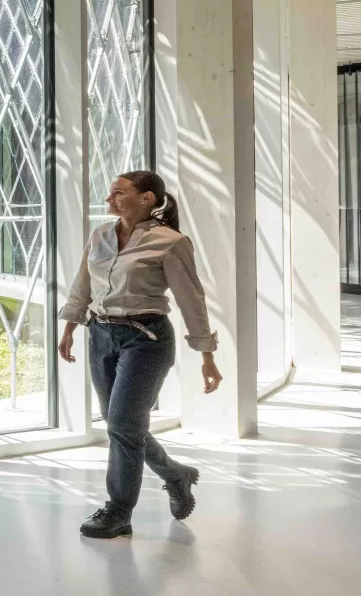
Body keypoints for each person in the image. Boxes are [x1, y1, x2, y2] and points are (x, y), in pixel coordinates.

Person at [57, 170, 223, 539]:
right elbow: (82, 284)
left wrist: (206, 355)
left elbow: (191, 300)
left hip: (146, 340)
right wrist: (70, 326)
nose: (109, 199)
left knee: (122, 426)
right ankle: (176, 474)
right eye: (110, 193)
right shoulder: (100, 234)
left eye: (118, 192)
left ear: (147, 198)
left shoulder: (171, 242)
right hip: (100, 334)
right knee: (123, 425)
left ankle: (118, 511)